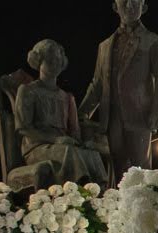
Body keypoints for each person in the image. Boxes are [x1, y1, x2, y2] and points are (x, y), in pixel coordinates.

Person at [81, 0, 158, 178]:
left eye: (135, 3)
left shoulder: (154, 42)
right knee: (118, 170)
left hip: (140, 115)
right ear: (115, 7)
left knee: (141, 170)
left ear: (143, 8)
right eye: (124, 2)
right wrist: (83, 112)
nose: (129, 6)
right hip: (111, 117)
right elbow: (97, 83)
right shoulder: (105, 46)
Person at [14, 40, 109, 185]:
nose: (55, 63)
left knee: (92, 153)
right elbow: (24, 128)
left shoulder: (66, 97)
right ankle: (79, 191)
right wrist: (56, 140)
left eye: (59, 59)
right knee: (69, 152)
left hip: (64, 146)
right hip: (37, 147)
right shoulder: (28, 91)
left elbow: (74, 131)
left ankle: (99, 192)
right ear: (38, 61)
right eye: (50, 59)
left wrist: (83, 144)